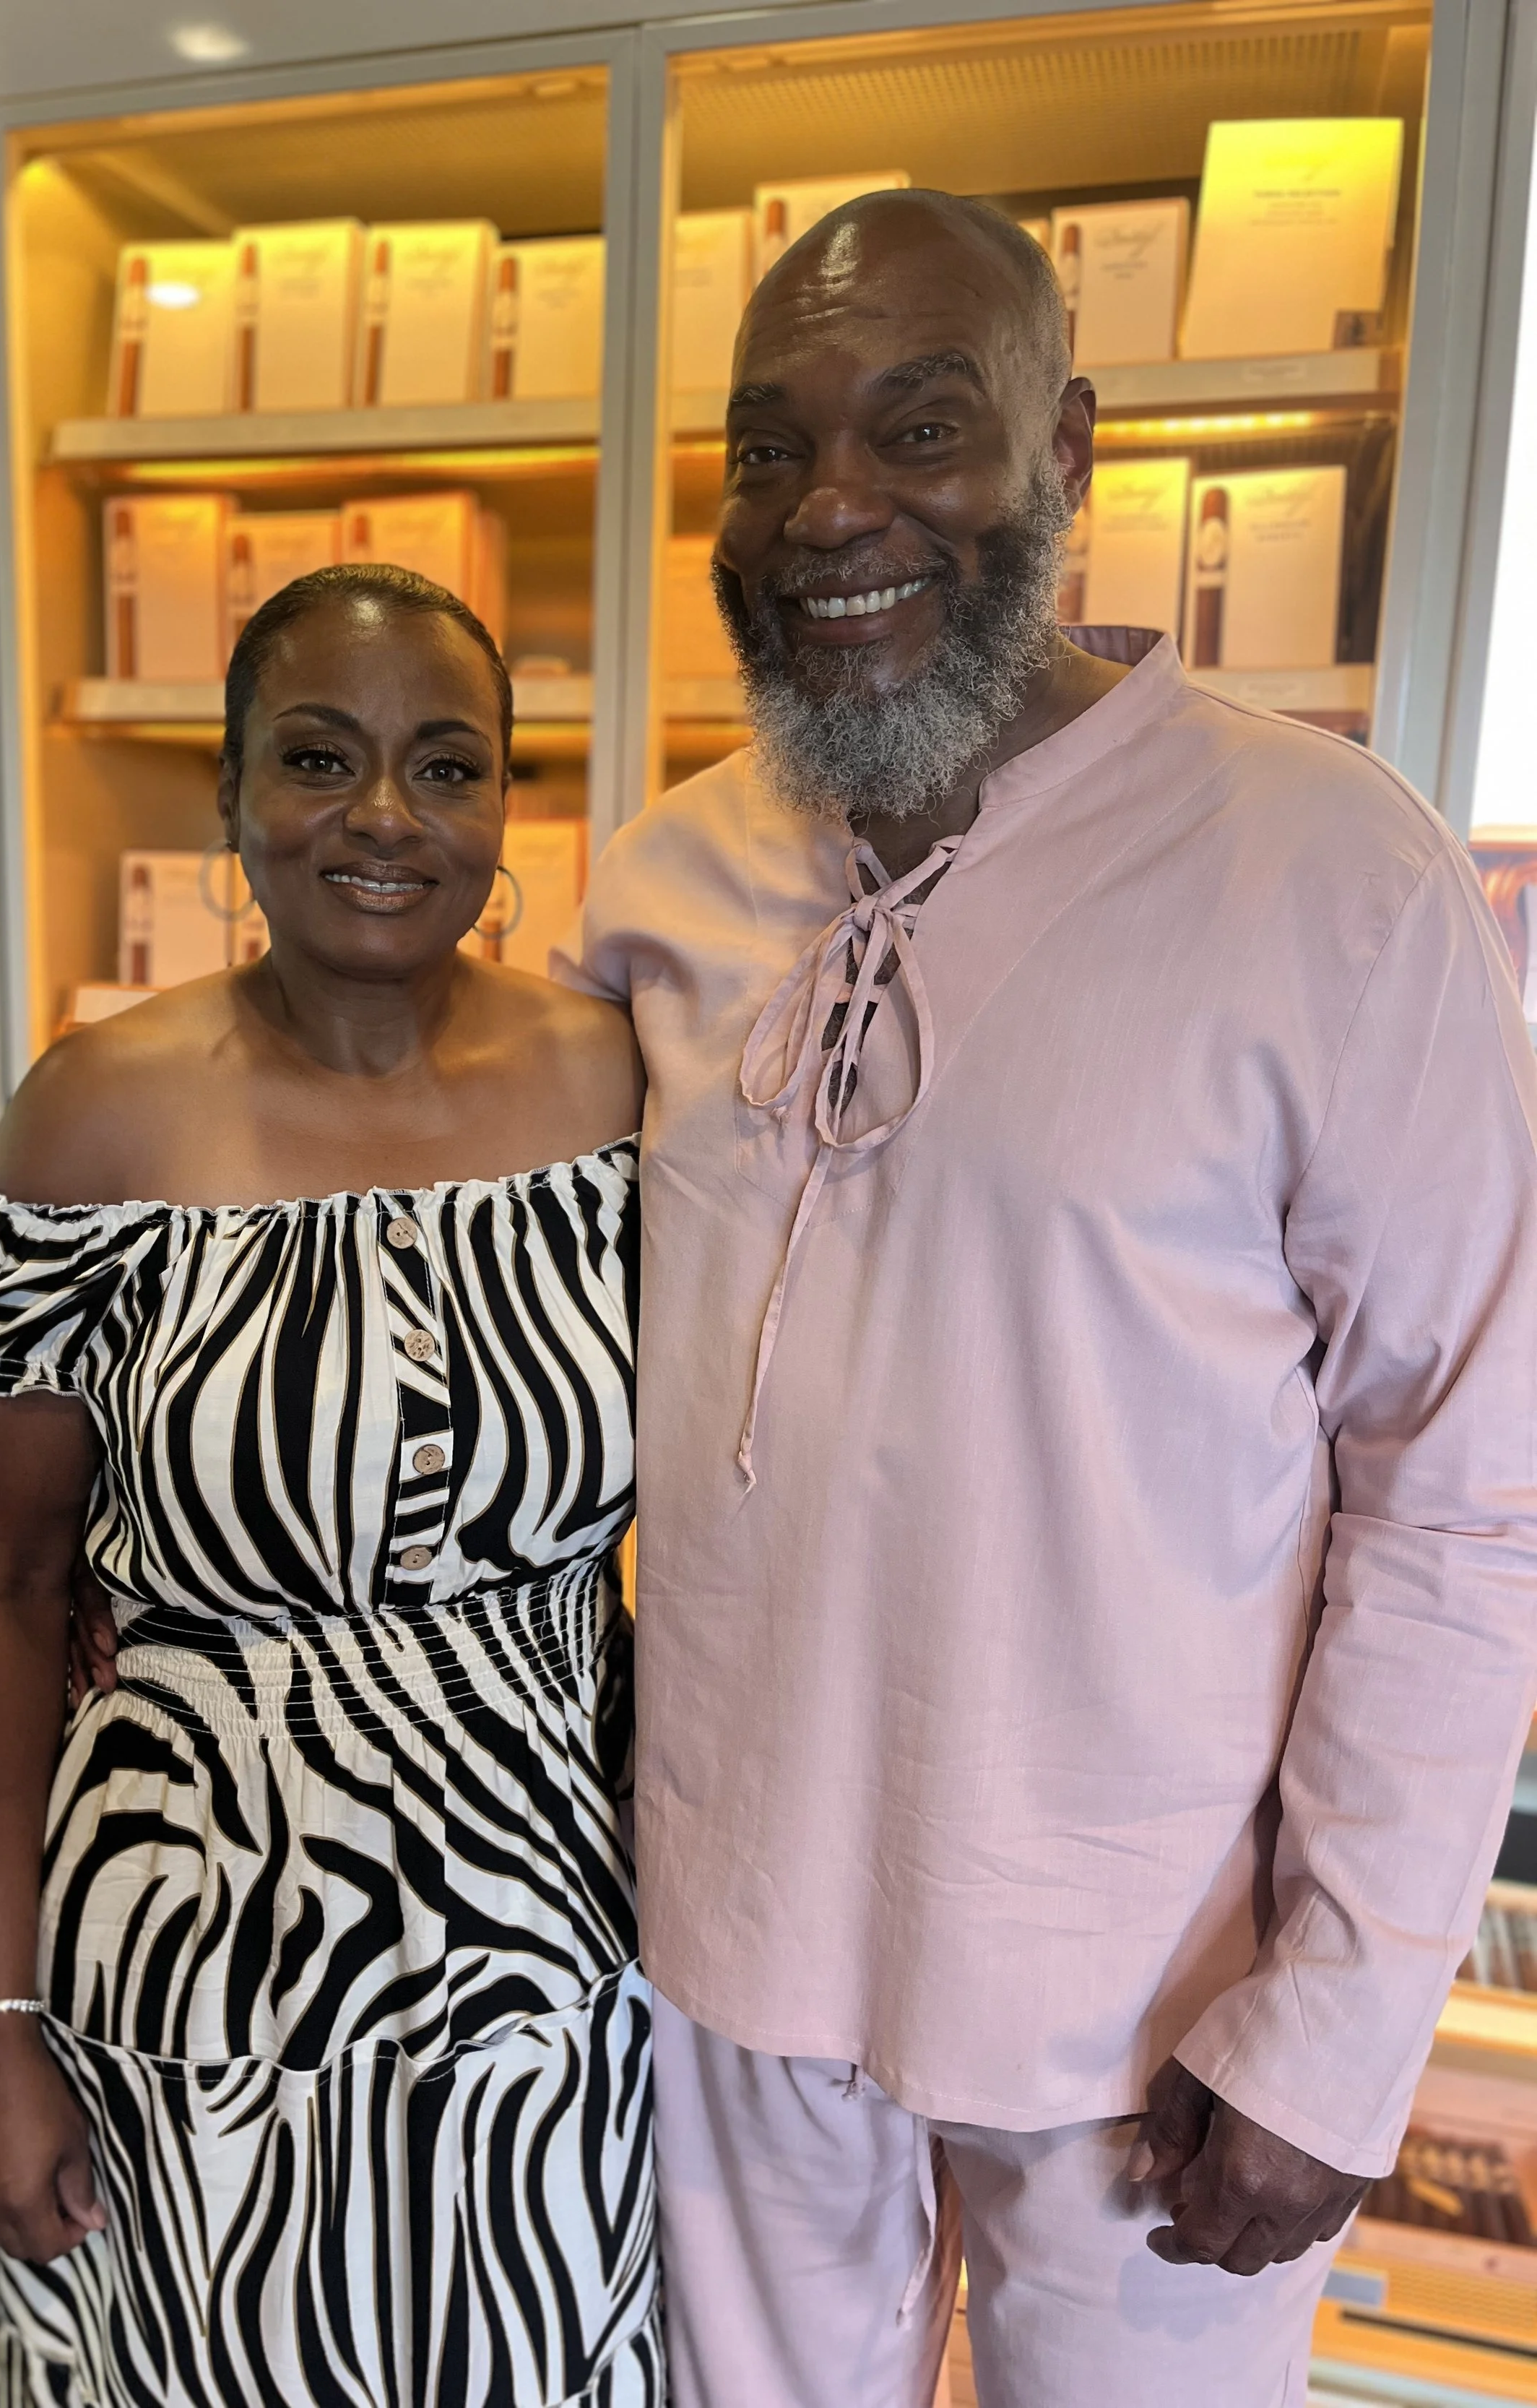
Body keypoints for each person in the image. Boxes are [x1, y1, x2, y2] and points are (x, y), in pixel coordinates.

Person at [552, 191, 1537, 2404]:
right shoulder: (666, 882)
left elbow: (1468, 1492)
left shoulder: (1327, 871)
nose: (833, 512)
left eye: (921, 428)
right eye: (769, 446)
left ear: (1063, 445)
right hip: (721, 1950)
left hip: (1144, 2007)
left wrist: (1338, 2018)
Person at [0, 564, 659, 2407]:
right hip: (191, 1962)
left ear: (505, 810)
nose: (385, 817)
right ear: (232, 797)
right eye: (318, 758)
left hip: (555, 1967)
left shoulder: (614, 1087)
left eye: (446, 766)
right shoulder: (93, 1113)